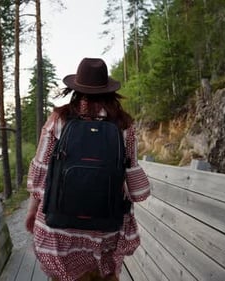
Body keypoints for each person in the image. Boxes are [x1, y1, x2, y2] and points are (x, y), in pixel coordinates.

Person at [25, 57, 151, 281]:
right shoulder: (124, 124)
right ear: (109, 91)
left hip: (59, 228)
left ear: (75, 89)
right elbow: (134, 185)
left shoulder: (59, 119)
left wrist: (32, 210)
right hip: (105, 227)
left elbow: (41, 173)